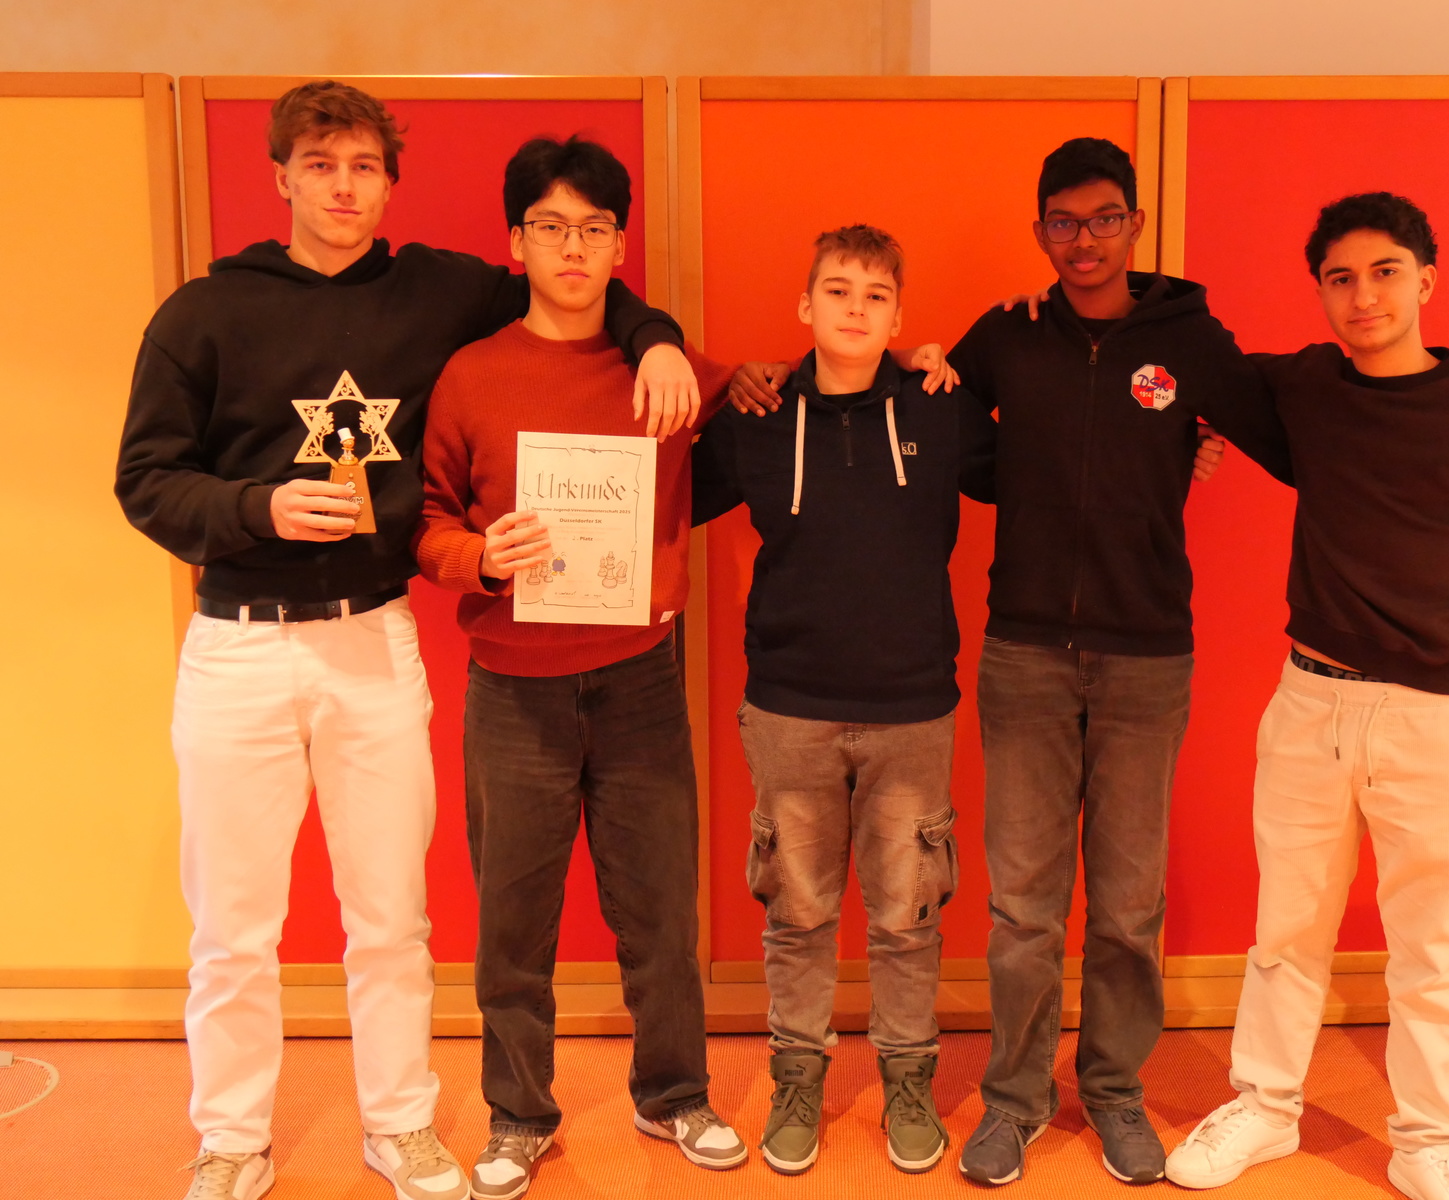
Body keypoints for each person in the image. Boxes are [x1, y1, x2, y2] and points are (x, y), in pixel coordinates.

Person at [115, 81, 694, 1200]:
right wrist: (256, 509)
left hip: (373, 639)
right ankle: (231, 1138)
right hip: (236, 646)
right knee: (233, 925)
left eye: (364, 167)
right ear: (281, 176)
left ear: (390, 183)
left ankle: (401, 1125)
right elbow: (144, 480)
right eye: (320, 164)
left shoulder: (439, 291)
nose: (343, 186)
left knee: (391, 916)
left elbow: (573, 278)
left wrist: (656, 336)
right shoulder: (203, 312)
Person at [731, 137, 1291, 1188]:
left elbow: (1291, 417)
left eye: (1105, 218)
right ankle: (1017, 1099)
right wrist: (746, 372)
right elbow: (934, 402)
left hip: (1144, 657)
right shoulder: (1007, 336)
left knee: (1126, 908)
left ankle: (1113, 1091)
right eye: (1064, 222)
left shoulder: (1187, 338)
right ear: (1041, 232)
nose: (1085, 239)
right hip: (1023, 653)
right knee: (1021, 908)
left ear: (1133, 224)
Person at [1162, 193, 1449, 1200]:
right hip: (1310, 704)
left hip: (1439, 719)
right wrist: (1092, 289)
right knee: (1284, 933)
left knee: (1430, 949)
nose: (1363, 296)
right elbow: (1191, 359)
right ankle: (1265, 1107)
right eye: (1339, 279)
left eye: (1385, 272)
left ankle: (1430, 1141)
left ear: (1425, 281)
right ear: (1320, 293)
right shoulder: (1307, 388)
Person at [413, 134, 746, 1199]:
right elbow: (424, 519)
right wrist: (478, 557)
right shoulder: (470, 375)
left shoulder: (665, 374)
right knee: (513, 920)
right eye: (550, 226)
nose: (572, 247)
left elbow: (784, 398)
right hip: (512, 687)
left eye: (594, 228)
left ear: (619, 246)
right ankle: (519, 1114)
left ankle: (674, 1093)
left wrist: (916, 361)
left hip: (640, 675)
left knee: (660, 907)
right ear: (515, 242)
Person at [692, 224, 997, 1176]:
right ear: (805, 305)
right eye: (837, 290)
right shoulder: (757, 415)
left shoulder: (941, 409)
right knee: (797, 911)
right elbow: (662, 494)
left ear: (900, 318)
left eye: (876, 295)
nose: (856, 309)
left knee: (907, 914)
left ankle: (907, 1078)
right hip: (790, 706)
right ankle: (797, 1077)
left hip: (914, 706)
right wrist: (718, 382)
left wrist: (1183, 446)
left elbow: (1041, 475)